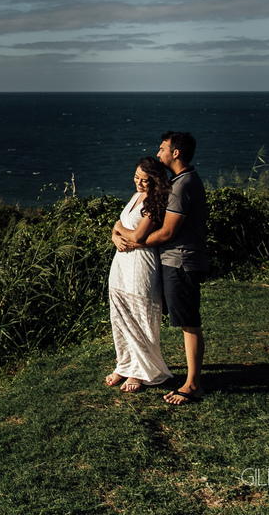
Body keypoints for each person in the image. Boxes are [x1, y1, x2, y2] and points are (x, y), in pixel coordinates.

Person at [114, 131, 208, 406]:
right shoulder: (182, 181)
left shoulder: (182, 185)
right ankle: (188, 380)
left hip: (181, 261)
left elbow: (166, 233)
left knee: (188, 322)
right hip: (175, 260)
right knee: (183, 319)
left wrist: (134, 241)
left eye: (163, 148)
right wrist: (125, 234)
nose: (159, 153)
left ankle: (192, 385)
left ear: (175, 153)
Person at [105, 156, 174, 393]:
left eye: (145, 180)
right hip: (121, 263)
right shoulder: (136, 197)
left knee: (140, 316)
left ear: (155, 181)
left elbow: (136, 236)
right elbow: (119, 225)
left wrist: (120, 231)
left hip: (141, 264)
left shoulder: (156, 202)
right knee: (120, 315)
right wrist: (115, 236)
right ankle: (124, 364)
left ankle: (141, 371)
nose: (139, 183)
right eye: (136, 178)